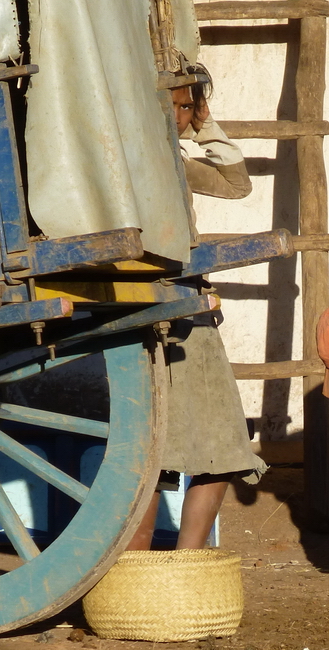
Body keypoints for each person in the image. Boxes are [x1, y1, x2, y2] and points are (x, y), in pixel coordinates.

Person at [127, 65, 267, 551]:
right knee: (158, 450)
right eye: (173, 105)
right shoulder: (129, 161)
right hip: (160, 305)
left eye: (188, 107)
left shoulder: (175, 161)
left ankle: (184, 570)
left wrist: (205, 124)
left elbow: (235, 184)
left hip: (187, 305)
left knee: (214, 442)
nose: (181, 117)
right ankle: (138, 571)